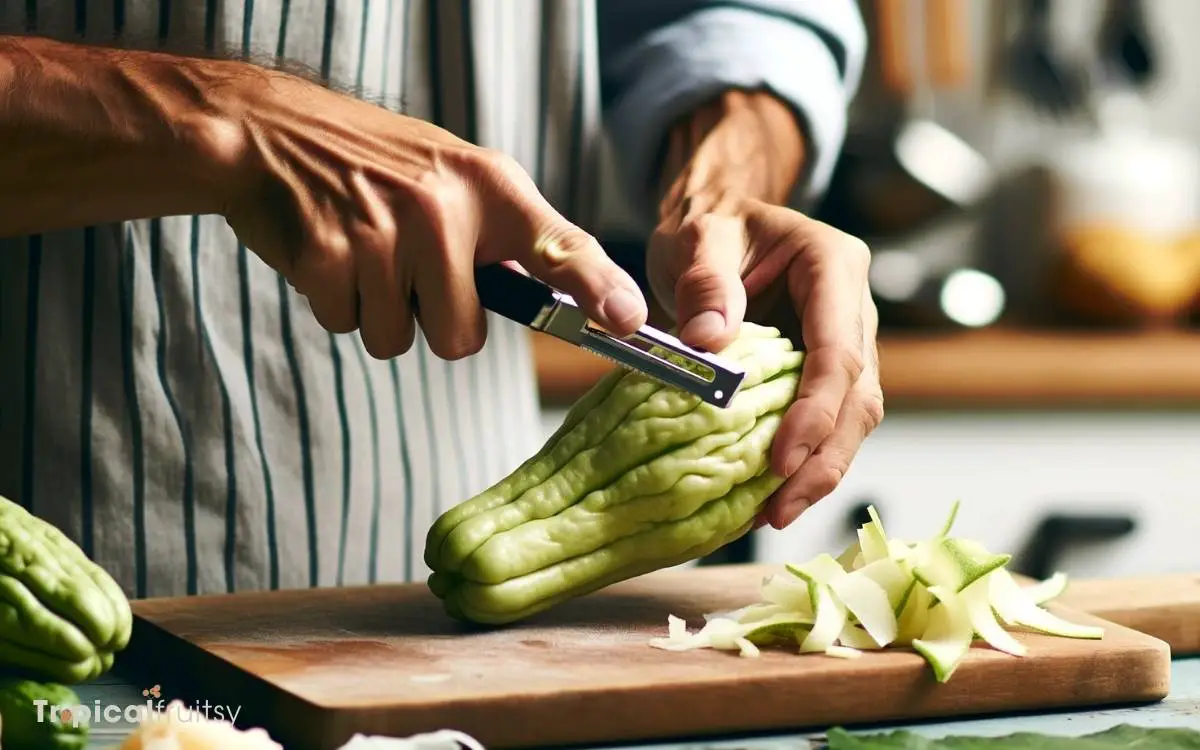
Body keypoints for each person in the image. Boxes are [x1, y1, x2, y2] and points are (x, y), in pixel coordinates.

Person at [0, 0, 882, 601]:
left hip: (432, 607)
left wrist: (718, 187)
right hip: (42, 552)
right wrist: (219, 119)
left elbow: (735, 15)